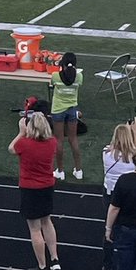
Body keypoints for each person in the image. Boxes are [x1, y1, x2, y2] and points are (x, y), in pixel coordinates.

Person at [9, 111, 61, 270]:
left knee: (35, 228)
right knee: (47, 221)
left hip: (30, 188)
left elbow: (11, 148)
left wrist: (21, 132)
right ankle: (54, 258)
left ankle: (42, 267)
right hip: (47, 186)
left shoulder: (24, 143)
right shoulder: (52, 142)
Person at [101, 118, 136, 270]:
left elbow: (111, 148)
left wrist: (123, 134)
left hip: (110, 195)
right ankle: (131, 269)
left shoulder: (106, 154)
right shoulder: (134, 159)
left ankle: (107, 266)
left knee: (109, 230)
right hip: (130, 198)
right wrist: (134, 131)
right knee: (131, 231)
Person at [50, 52, 84, 180]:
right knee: (73, 139)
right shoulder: (79, 77)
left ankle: (60, 171)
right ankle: (79, 170)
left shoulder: (55, 76)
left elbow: (52, 83)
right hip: (72, 109)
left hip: (58, 110)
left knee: (59, 140)